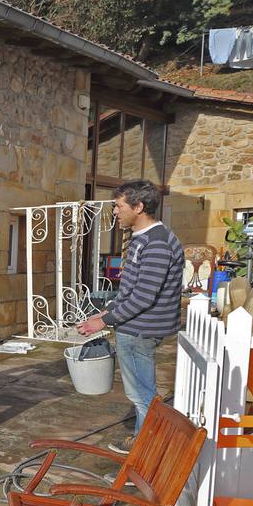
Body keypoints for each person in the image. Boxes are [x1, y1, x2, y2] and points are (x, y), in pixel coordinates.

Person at [77, 180, 184, 454]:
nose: (114, 211)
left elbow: (144, 296)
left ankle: (147, 453)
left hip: (139, 331)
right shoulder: (143, 239)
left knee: (142, 395)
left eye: (119, 205)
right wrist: (107, 310)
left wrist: (103, 321)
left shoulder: (157, 243)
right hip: (135, 326)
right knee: (141, 393)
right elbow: (132, 289)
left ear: (139, 207)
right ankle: (141, 440)